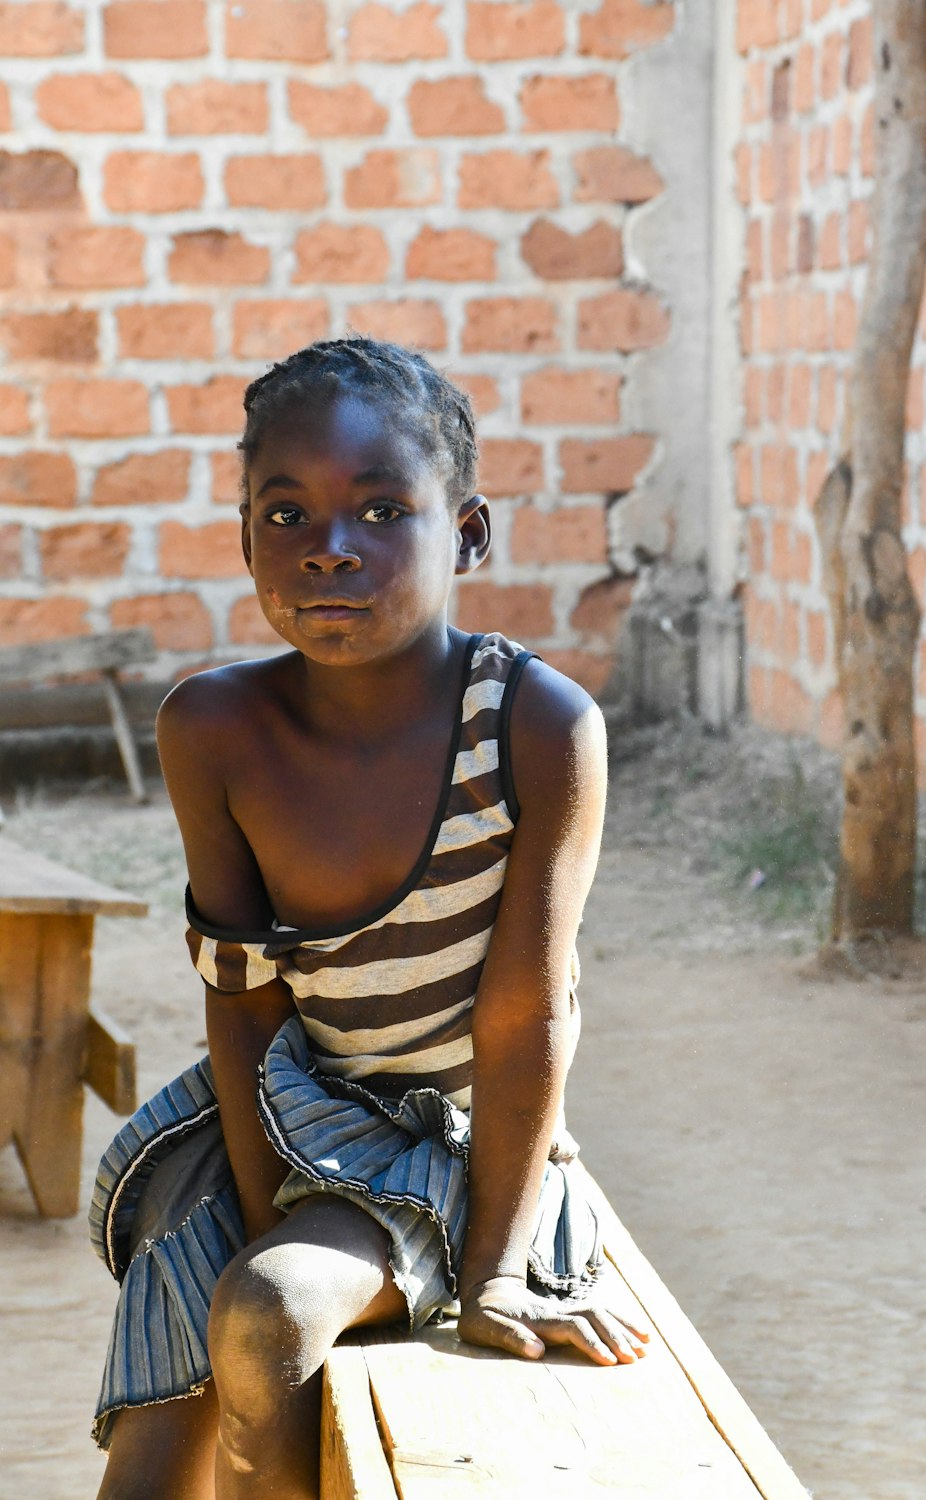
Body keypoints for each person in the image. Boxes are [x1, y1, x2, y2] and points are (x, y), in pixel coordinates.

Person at [89, 337, 647, 1500]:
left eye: (382, 508)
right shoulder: (214, 731)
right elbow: (240, 1001)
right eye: (284, 515)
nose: (329, 548)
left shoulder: (535, 728)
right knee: (154, 1450)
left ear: (470, 532)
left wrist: (494, 1270)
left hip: (456, 1140)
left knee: (267, 1312)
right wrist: (253, 1212)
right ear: (245, 540)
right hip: (278, 1118)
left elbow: (524, 1011)